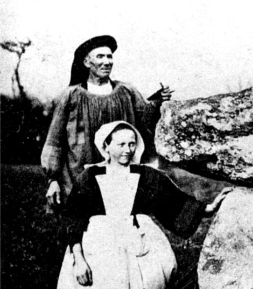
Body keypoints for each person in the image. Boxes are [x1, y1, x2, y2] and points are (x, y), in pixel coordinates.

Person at [50, 121, 232, 289]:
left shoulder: (145, 175)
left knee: (158, 274)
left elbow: (173, 202)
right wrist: (79, 258)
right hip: (99, 240)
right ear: (106, 146)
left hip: (137, 236)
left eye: (132, 144)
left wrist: (208, 208)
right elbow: (74, 218)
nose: (127, 149)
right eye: (121, 144)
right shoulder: (90, 176)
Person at [41, 35, 174, 212]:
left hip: (120, 173)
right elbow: (54, 142)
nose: (107, 62)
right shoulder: (71, 95)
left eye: (109, 56)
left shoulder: (127, 91)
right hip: (79, 174)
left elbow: (144, 120)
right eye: (100, 57)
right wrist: (53, 180)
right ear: (87, 62)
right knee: (82, 228)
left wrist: (158, 102)